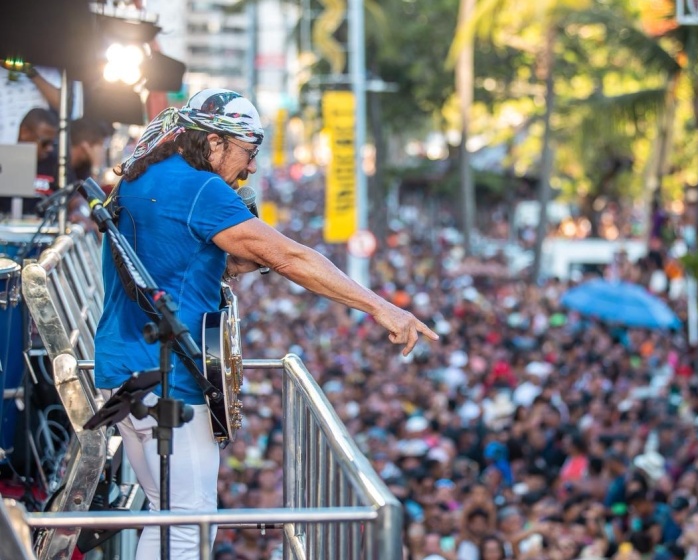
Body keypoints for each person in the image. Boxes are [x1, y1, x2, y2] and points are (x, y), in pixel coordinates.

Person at [93, 88, 439, 560]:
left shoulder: (143, 175)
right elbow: (291, 257)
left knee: (165, 514)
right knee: (188, 525)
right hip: (170, 379)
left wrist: (233, 261)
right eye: (248, 151)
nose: (252, 167)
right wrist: (381, 307)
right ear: (214, 142)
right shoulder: (201, 188)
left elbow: (172, 259)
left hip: (123, 370)